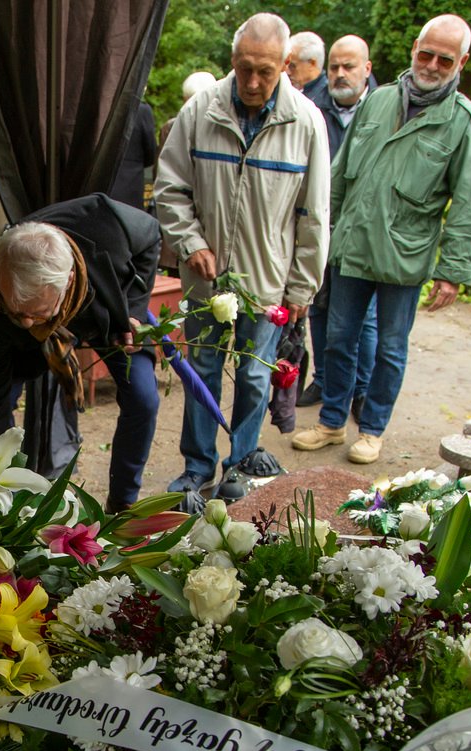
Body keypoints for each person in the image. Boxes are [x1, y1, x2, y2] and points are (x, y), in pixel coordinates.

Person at [292, 14, 471, 465]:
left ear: (461, 62)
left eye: (445, 59)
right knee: (338, 339)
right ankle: (332, 422)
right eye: (426, 54)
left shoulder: (466, 123)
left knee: (390, 349)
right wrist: (319, 235)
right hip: (353, 244)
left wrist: (453, 272)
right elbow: (340, 174)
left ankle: (373, 430)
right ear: (414, 49)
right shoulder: (377, 101)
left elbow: (469, 203)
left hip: (405, 255)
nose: (432, 65)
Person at [155, 12, 329, 495]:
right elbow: (170, 188)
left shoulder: (306, 122)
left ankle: (241, 465)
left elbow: (314, 214)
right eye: (244, 68)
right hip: (205, 276)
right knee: (201, 372)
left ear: (285, 65)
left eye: (265, 71)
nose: (252, 82)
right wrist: (191, 242)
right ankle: (197, 467)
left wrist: (301, 287)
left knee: (254, 374)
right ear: (232, 59)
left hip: (266, 279)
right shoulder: (200, 110)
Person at [0, 193, 161, 513]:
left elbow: (151, 236)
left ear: (67, 282)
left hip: (104, 314)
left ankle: (123, 501)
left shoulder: (109, 224)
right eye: (17, 312)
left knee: (143, 397)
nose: (28, 322)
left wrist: (133, 309)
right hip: (22, 346)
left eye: (37, 313)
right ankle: (6, 503)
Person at [298, 34, 379, 412]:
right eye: (334, 67)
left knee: (364, 318)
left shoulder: (382, 109)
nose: (340, 74)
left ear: (367, 68)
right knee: (318, 306)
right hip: (322, 227)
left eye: (349, 66)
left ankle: (361, 390)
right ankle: (325, 380)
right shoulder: (314, 106)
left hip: (363, 232)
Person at [108, 101, 157, 211]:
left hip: (99, 186)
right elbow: (150, 150)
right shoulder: (142, 110)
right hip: (130, 185)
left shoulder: (102, 106)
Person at [285, 31, 328, 104]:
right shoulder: (288, 92)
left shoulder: (327, 100)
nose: (287, 72)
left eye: (292, 66)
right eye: (285, 64)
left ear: (311, 64)